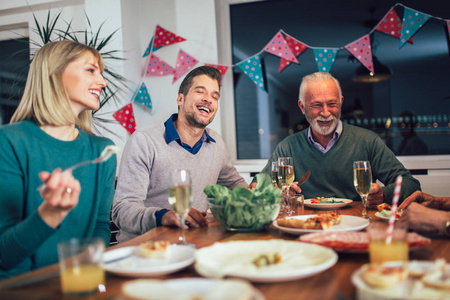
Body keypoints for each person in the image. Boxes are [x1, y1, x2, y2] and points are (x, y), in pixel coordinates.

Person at [0, 41, 117, 279]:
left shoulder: (102, 152)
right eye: (91, 70)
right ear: (54, 74)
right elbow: (4, 256)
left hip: (80, 282)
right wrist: (51, 214)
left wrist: (83, 276)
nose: (103, 82)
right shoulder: (9, 142)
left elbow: (100, 227)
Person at [112, 66, 247, 243]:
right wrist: (164, 217)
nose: (208, 99)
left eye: (215, 96)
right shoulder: (144, 141)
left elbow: (235, 183)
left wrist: (256, 193)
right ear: (180, 99)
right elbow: (122, 210)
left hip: (194, 243)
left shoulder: (216, 144)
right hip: (146, 250)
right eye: (200, 92)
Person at [251, 72, 420, 206]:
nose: (325, 113)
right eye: (317, 105)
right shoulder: (288, 146)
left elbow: (410, 184)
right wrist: (274, 193)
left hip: (356, 226)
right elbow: (256, 187)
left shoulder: (368, 141)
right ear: (302, 107)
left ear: (341, 102)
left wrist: (383, 194)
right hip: (305, 227)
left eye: (332, 104)